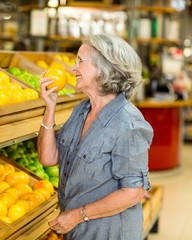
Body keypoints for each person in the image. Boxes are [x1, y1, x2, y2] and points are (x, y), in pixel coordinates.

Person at [38, 33, 153, 240]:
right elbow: (48, 158)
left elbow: (133, 192)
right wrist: (50, 108)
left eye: (80, 61)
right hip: (78, 232)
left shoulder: (128, 124)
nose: (73, 69)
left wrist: (77, 216)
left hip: (109, 233)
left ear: (104, 69)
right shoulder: (81, 110)